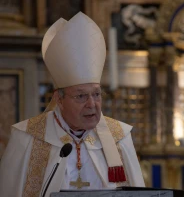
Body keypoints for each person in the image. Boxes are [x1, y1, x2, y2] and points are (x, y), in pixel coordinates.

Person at [0, 12, 145, 196]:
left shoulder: (120, 137)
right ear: (59, 99)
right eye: (81, 96)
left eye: (97, 94)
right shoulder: (27, 137)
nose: (92, 104)